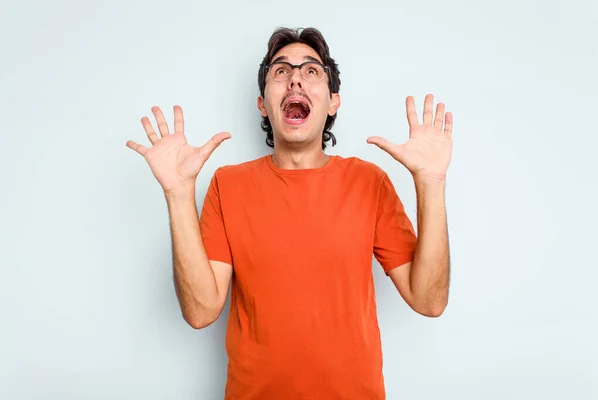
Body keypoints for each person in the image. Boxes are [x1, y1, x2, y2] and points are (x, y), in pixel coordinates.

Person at [126, 26, 452, 400]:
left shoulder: (368, 182)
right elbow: (200, 312)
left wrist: (431, 182)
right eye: (280, 71)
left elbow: (429, 300)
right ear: (263, 103)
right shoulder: (227, 185)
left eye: (311, 70)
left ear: (333, 101)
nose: (295, 78)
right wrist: (178, 193)